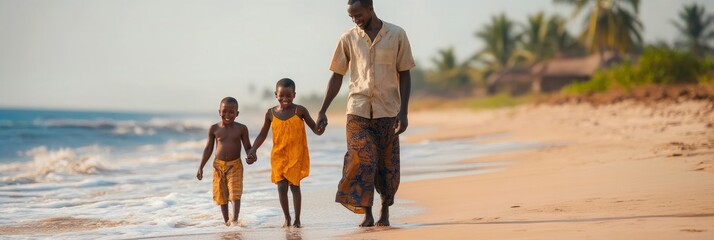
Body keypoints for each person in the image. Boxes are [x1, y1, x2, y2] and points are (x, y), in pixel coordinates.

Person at [316, 0, 415, 227]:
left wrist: (404, 112)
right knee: (362, 160)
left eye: (358, 15)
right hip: (357, 111)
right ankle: (367, 214)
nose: (355, 20)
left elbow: (405, 73)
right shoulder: (347, 38)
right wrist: (323, 110)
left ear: (371, 9)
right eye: (352, 17)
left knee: (387, 166)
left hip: (388, 110)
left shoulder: (397, 34)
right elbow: (337, 75)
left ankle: (385, 212)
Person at [248, 78, 324, 228]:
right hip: (278, 155)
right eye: (281, 96)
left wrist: (321, 127)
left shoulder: (300, 110)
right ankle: (287, 218)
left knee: (295, 186)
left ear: (294, 95)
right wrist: (253, 149)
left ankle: (297, 219)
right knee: (281, 187)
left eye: (288, 96)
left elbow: (315, 130)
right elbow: (263, 134)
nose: (285, 99)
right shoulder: (270, 113)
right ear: (276, 94)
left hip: (296, 155)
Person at [196, 97, 254, 226]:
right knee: (221, 196)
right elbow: (208, 148)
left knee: (235, 193)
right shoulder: (214, 128)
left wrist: (251, 156)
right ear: (219, 111)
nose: (227, 115)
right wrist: (201, 167)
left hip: (235, 165)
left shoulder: (241, 129)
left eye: (231, 112)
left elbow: (248, 147)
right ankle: (226, 221)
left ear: (237, 114)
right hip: (218, 166)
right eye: (224, 111)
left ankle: (234, 221)